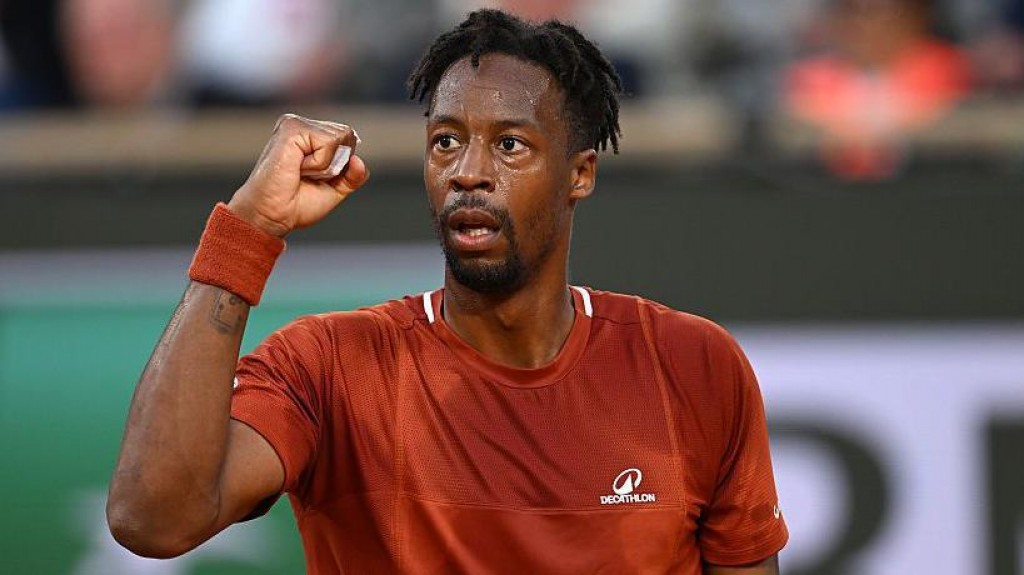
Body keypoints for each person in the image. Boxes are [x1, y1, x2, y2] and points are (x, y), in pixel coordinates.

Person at [107, 9, 788, 574]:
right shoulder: (329, 367)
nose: (468, 172)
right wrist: (248, 230)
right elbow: (153, 518)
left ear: (579, 174)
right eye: (445, 142)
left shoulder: (694, 367)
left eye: (510, 145)